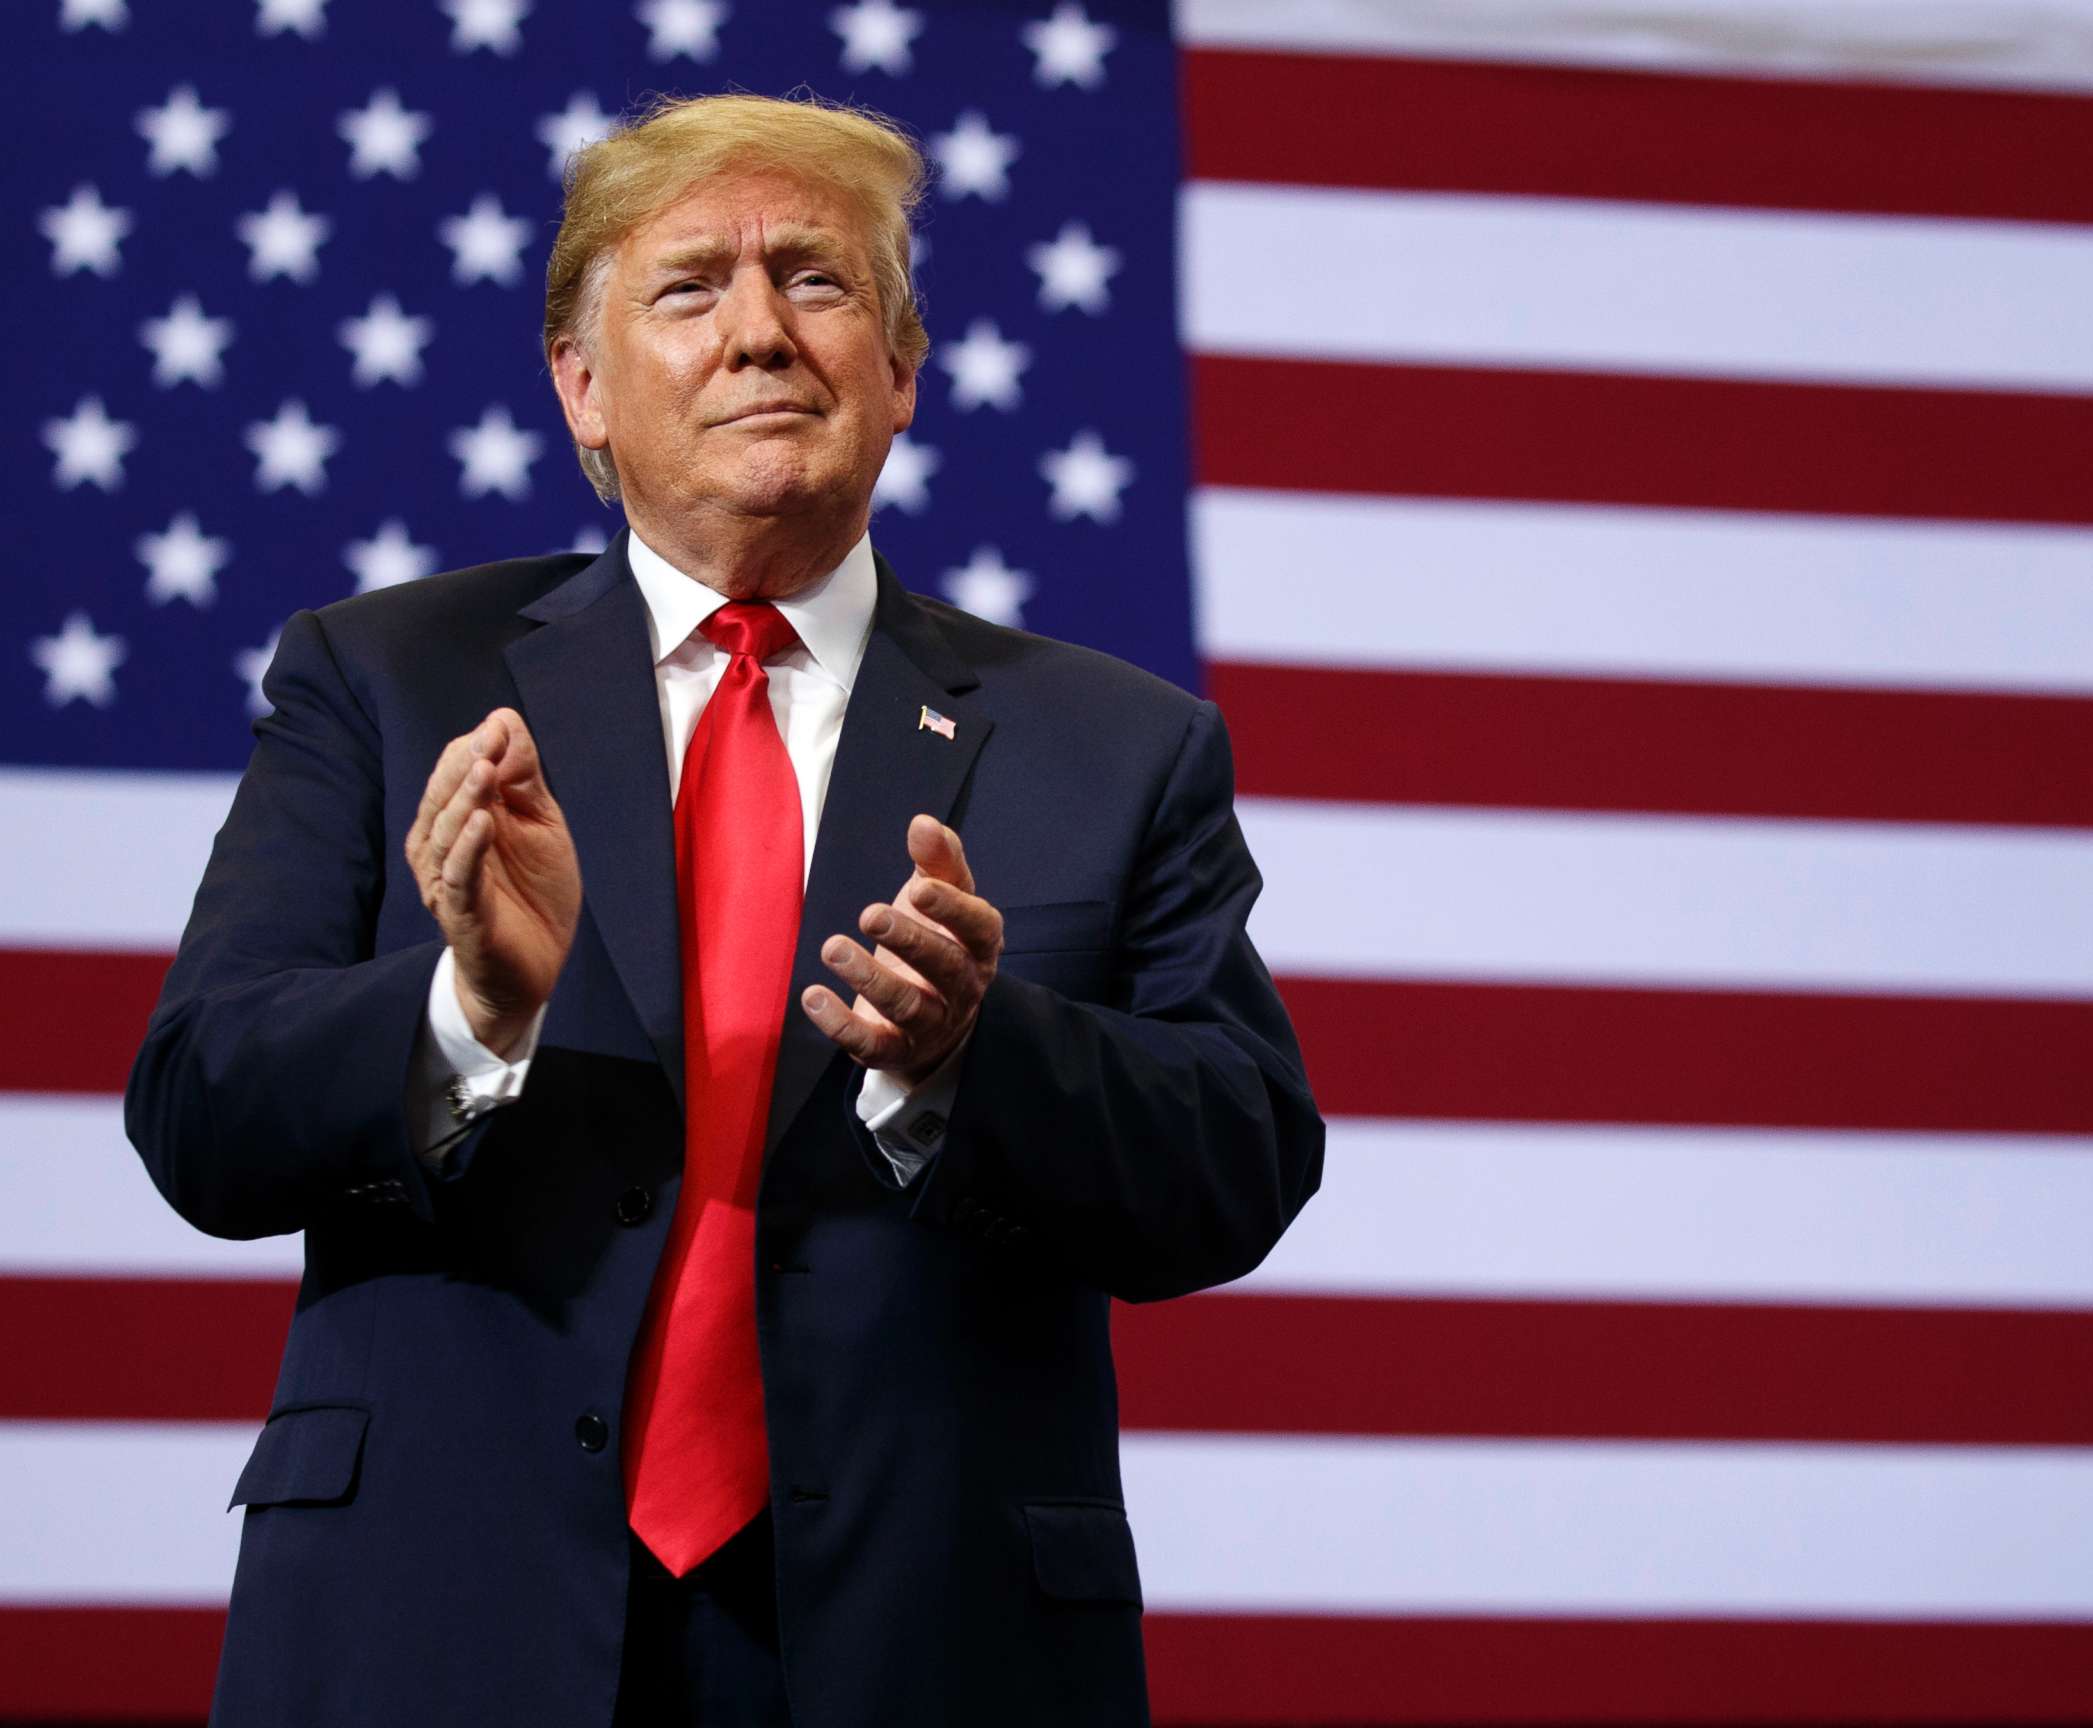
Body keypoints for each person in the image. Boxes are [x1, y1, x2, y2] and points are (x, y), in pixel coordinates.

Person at [124, 92, 1322, 1728]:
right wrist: (468, 1013)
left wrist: (979, 1053)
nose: (760, 331)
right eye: (690, 289)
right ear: (583, 389)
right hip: (440, 1624)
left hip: (929, 1641)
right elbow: (199, 1111)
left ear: (903, 371)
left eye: (818, 283)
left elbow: (1239, 1158)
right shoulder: (387, 678)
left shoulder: (1116, 745)